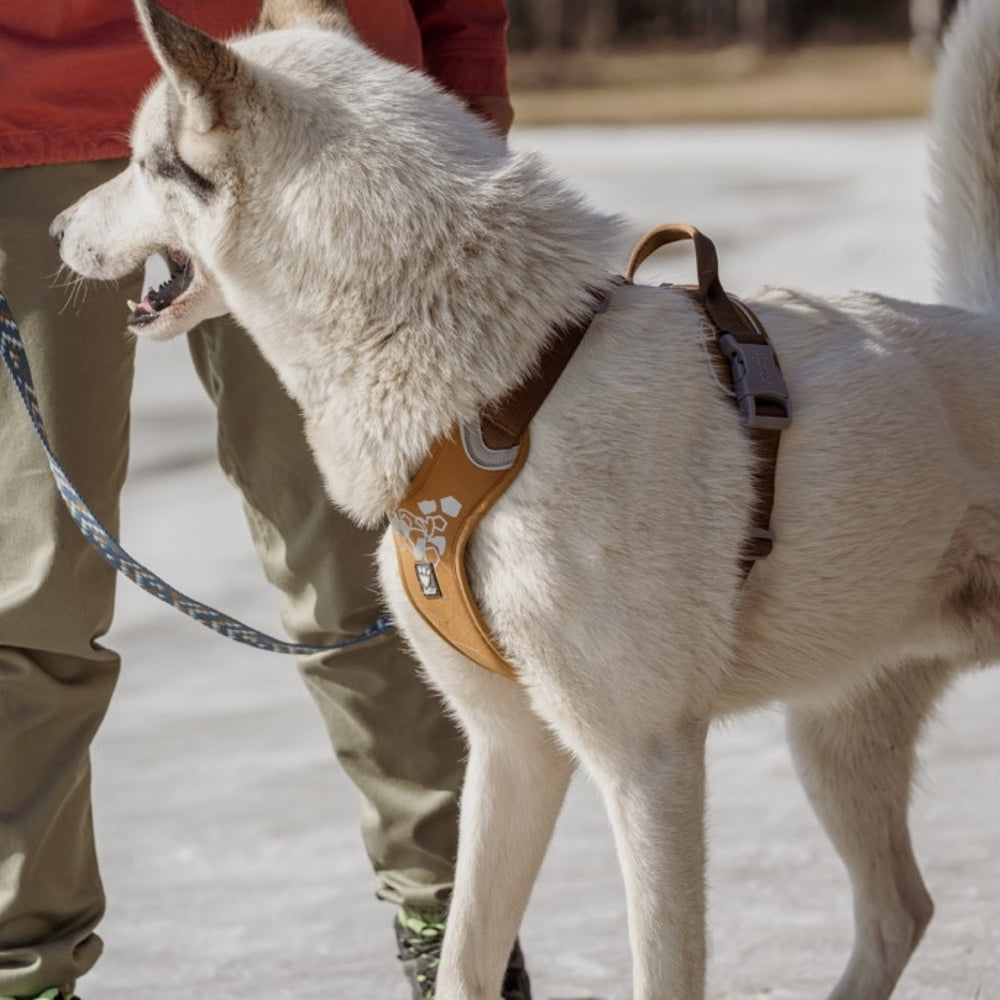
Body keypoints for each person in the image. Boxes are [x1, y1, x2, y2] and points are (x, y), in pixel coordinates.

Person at [0, 2, 525, 998]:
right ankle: (22, 967)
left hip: (311, 120)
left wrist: (462, 98)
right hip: (36, 119)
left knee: (374, 566)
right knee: (31, 596)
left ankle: (460, 934)